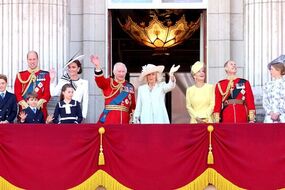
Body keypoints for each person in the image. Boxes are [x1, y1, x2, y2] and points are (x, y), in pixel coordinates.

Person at [90, 55, 136, 124]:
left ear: (126, 73)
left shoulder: (130, 87)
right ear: (114, 72)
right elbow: (100, 80)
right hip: (110, 119)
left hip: (125, 120)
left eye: (123, 71)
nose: (121, 74)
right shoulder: (108, 82)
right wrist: (97, 66)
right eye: (119, 71)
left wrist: (132, 120)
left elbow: (133, 106)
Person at [14, 51, 51, 119]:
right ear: (27, 60)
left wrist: (38, 104)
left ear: (37, 60)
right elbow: (17, 93)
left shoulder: (45, 75)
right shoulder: (20, 75)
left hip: (40, 111)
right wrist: (26, 105)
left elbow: (47, 93)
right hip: (24, 112)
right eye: (30, 59)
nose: (32, 61)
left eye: (34, 59)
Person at [50, 55, 89, 120]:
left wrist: (83, 116)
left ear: (78, 69)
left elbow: (85, 100)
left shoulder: (84, 83)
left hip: (76, 112)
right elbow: (53, 93)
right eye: (69, 67)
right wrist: (52, 79)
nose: (71, 69)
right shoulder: (63, 80)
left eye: (73, 67)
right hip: (63, 112)